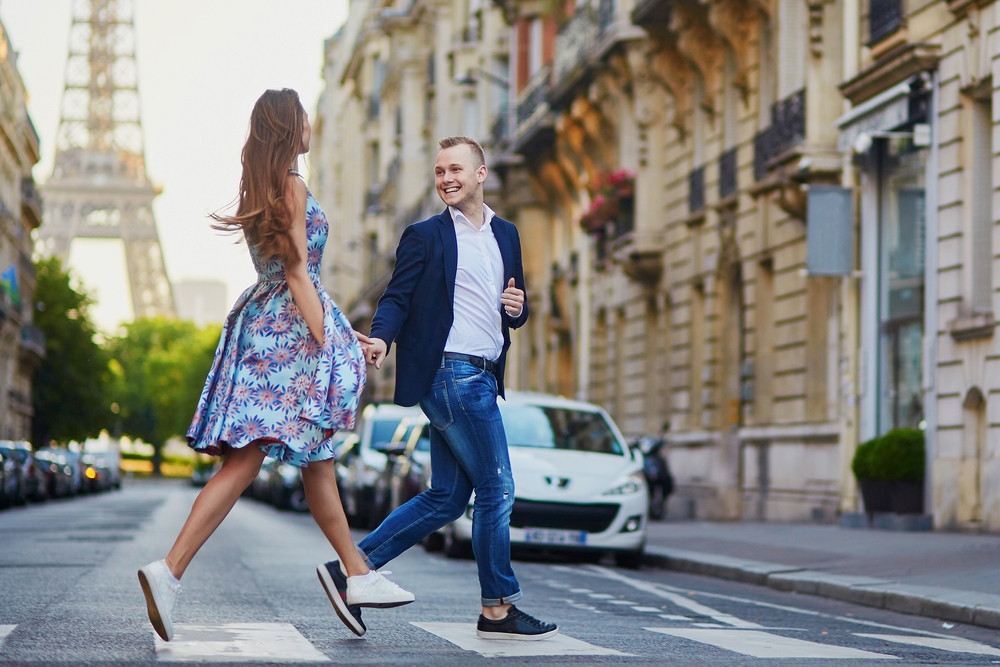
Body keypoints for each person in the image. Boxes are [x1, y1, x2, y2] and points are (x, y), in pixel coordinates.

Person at [137, 88, 413, 643]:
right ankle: (169, 572)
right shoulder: (292, 182)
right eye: (305, 118)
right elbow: (297, 275)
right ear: (292, 127)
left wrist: (342, 331)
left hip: (262, 328)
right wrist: (327, 342)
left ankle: (355, 574)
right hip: (288, 339)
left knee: (308, 461)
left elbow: (289, 279)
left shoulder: (261, 185)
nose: (312, 126)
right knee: (262, 463)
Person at [331, 136, 558, 640]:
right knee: (497, 487)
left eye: (455, 169)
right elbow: (396, 296)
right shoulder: (425, 235)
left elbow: (512, 306)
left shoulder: (508, 234)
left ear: (480, 174)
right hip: (451, 374)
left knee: (446, 497)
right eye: (439, 172)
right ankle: (497, 608)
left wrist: (518, 311)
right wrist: (383, 339)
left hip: (482, 372)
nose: (445, 179)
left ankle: (351, 567)